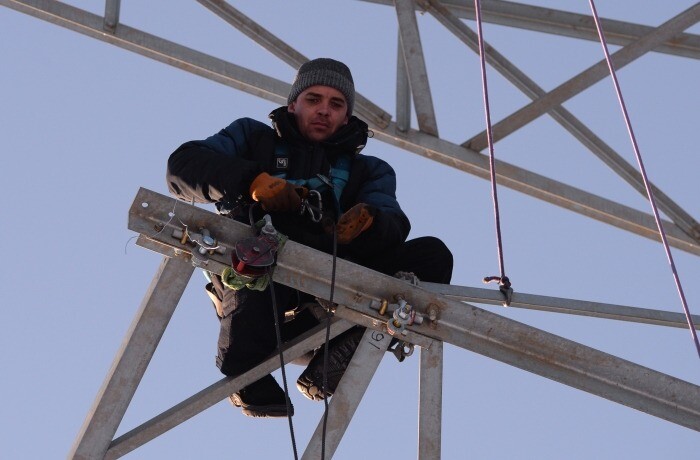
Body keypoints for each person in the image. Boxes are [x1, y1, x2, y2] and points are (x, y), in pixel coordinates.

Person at [166, 58, 453, 418]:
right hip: (260, 287)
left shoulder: (368, 171)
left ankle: (340, 354)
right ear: (293, 104)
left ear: (347, 117)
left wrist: (369, 225)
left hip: (327, 298)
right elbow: (184, 165)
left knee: (432, 257)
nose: (323, 111)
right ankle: (246, 373)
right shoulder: (253, 139)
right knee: (267, 250)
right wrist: (251, 182)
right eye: (314, 99)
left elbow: (392, 222)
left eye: (336, 104)